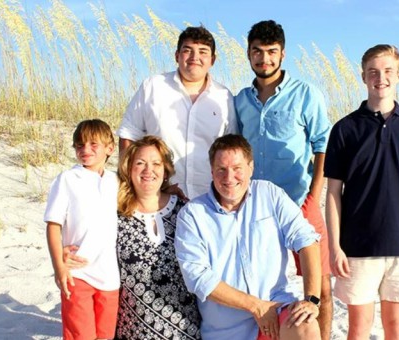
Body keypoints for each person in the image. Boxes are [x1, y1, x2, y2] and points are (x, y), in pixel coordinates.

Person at [324, 44, 399, 340]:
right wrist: (334, 247)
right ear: (363, 77)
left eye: (387, 71)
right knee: (359, 327)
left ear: (398, 76)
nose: (380, 77)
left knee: (396, 327)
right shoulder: (345, 129)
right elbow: (333, 193)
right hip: (357, 247)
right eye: (373, 71)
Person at [234, 20, 333, 339]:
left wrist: (314, 194)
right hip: (257, 210)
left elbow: (322, 145)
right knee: (264, 285)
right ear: (248, 54)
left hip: (299, 201)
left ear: (283, 54)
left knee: (319, 287)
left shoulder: (306, 94)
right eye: (258, 52)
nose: (265, 59)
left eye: (272, 52)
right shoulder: (240, 100)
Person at [175, 134, 322, 340]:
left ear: (250, 168)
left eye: (237, 169)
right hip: (227, 330)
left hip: (278, 309)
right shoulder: (192, 214)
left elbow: (307, 241)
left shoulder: (270, 194)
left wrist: (312, 300)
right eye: (221, 170)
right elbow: (198, 277)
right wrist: (256, 307)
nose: (229, 178)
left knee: (305, 324)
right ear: (212, 172)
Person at [117, 25, 238, 199]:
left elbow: (231, 149)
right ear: (177, 55)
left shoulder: (224, 97)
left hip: (209, 199)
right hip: (158, 198)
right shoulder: (153, 86)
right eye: (188, 50)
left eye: (203, 52)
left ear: (213, 60)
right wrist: (130, 184)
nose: (195, 57)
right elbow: (129, 134)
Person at [114, 135, 201, 339]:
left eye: (156, 163)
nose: (148, 170)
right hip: (132, 332)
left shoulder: (186, 211)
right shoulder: (116, 216)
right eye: (140, 163)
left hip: (185, 331)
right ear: (128, 168)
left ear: (165, 171)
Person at [44, 119, 120, 340]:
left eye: (93, 144)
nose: (85, 150)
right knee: (81, 334)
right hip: (77, 272)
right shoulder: (68, 179)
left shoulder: (115, 180)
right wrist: (59, 265)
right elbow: (53, 225)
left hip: (109, 274)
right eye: (79, 145)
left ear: (110, 148)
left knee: (105, 334)